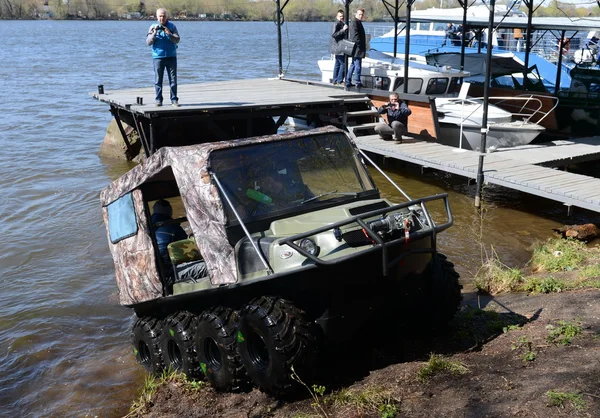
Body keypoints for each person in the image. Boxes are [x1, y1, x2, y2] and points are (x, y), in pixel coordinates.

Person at [151, 199, 206, 283]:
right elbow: (189, 248)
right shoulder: (172, 225)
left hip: (153, 275)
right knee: (210, 266)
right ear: (170, 212)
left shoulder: (146, 227)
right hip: (169, 274)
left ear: (154, 211)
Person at [146, 8, 181, 107]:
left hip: (171, 57)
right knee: (158, 80)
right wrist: (154, 33)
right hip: (158, 57)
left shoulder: (172, 26)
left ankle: (174, 100)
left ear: (167, 16)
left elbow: (177, 40)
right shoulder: (153, 27)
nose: (162, 18)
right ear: (157, 17)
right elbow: (148, 42)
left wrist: (169, 34)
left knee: (173, 80)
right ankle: (158, 100)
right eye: (160, 16)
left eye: (164, 16)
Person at [345, 8, 366, 88]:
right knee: (357, 66)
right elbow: (354, 36)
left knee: (353, 65)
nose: (361, 16)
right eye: (359, 14)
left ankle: (348, 81)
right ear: (356, 14)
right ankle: (357, 82)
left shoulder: (358, 22)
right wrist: (360, 45)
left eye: (362, 14)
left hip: (358, 48)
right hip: (357, 48)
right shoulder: (354, 22)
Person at [330, 9, 348, 86]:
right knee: (343, 64)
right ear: (337, 16)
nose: (342, 17)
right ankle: (340, 80)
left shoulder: (341, 23)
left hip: (337, 47)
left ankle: (335, 80)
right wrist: (343, 30)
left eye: (342, 16)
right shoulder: (336, 24)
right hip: (338, 47)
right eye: (340, 16)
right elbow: (334, 34)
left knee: (337, 64)